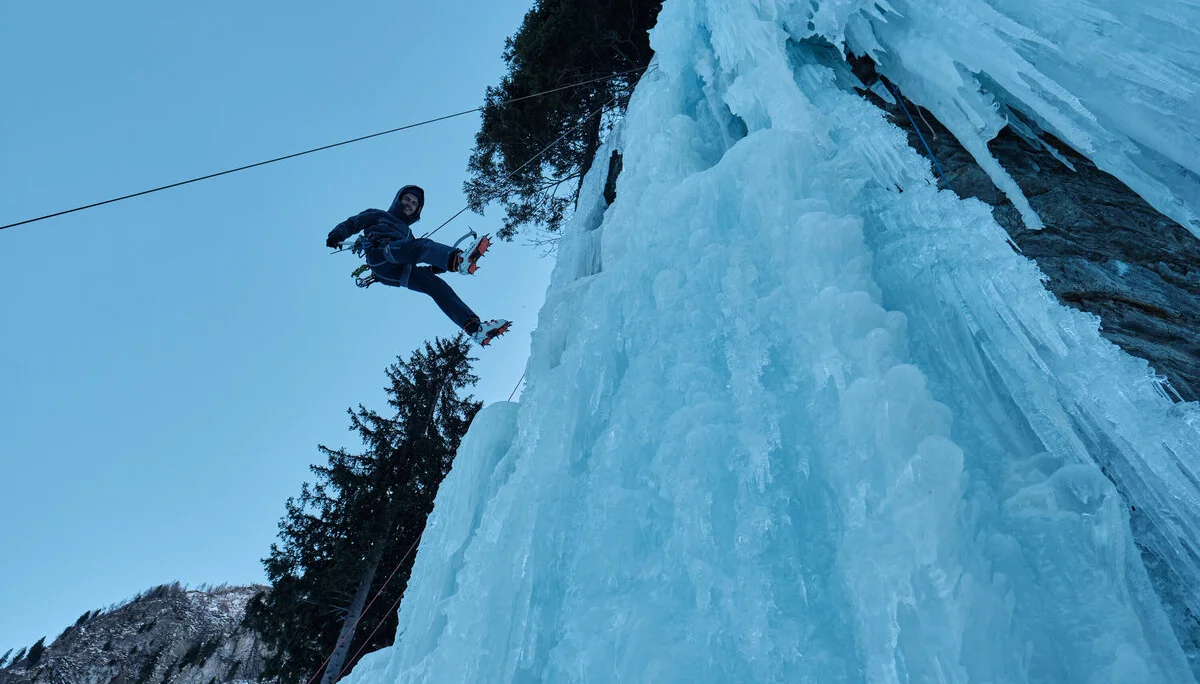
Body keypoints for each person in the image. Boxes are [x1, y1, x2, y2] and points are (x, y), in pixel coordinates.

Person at [326, 185, 510, 346]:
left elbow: (413, 257)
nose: (409, 204)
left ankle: (475, 329)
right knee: (420, 246)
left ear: (417, 211)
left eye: (414, 204)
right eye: (407, 199)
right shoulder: (377, 214)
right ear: (398, 200)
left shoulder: (408, 233)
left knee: (436, 285)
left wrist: (433, 268)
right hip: (381, 254)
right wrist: (337, 235)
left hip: (396, 271)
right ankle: (458, 260)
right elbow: (353, 223)